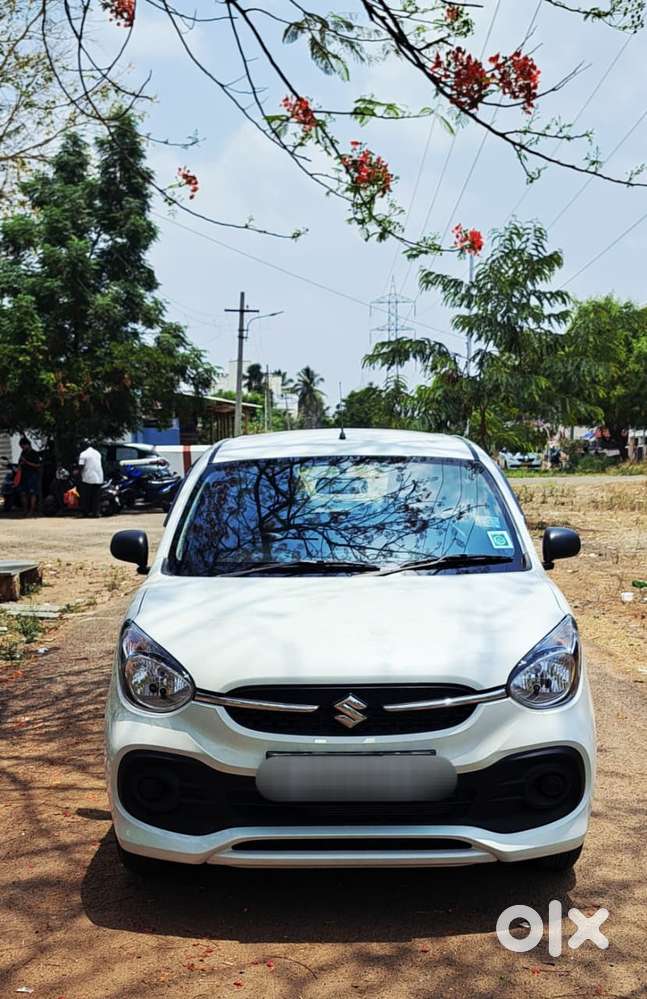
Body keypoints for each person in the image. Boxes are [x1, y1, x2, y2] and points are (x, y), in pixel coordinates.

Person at [78, 439, 104, 517]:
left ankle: (85, 512)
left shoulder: (83, 454)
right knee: (96, 497)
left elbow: (81, 466)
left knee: (85, 496)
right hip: (99, 477)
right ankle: (96, 512)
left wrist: (78, 475)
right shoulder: (97, 453)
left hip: (88, 477)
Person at [17, 436, 41, 515]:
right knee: (23, 493)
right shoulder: (23, 453)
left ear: (27, 444)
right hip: (23, 475)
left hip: (32, 475)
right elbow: (20, 463)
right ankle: (25, 510)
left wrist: (27, 462)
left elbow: (38, 465)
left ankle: (31, 510)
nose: (22, 448)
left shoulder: (34, 453)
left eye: (23, 446)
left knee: (32, 493)